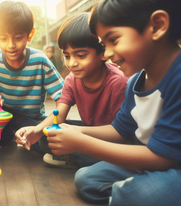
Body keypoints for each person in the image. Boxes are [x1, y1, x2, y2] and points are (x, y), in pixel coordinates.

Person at [46, 0, 181, 205]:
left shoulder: (177, 78)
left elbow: (163, 157)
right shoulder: (135, 82)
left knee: (133, 195)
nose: (107, 54)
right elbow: (120, 130)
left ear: (157, 26)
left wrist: (82, 142)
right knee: (86, 179)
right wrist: (75, 132)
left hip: (172, 164)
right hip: (150, 161)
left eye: (114, 40)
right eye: (104, 45)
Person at [16, 12, 128, 168]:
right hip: (89, 131)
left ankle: (74, 157)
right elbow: (59, 115)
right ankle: (72, 155)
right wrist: (37, 130)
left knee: (70, 142)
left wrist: (76, 133)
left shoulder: (118, 82)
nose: (72, 63)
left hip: (113, 139)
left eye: (80, 55)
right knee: (46, 135)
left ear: (102, 53)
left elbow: (122, 134)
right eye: (67, 56)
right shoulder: (72, 80)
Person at [0, 1, 64, 147]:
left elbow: (62, 97)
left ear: (30, 35)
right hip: (1, 117)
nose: (10, 45)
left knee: (53, 138)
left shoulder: (40, 60)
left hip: (30, 121)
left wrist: (40, 128)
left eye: (17, 38)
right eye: (3, 39)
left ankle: (30, 140)